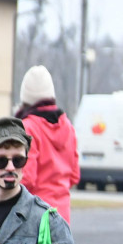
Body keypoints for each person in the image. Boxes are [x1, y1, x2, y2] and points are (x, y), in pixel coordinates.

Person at [15, 65, 80, 225]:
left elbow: (27, 179)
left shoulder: (28, 127)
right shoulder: (68, 127)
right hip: (63, 216)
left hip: (35, 215)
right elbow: (74, 175)